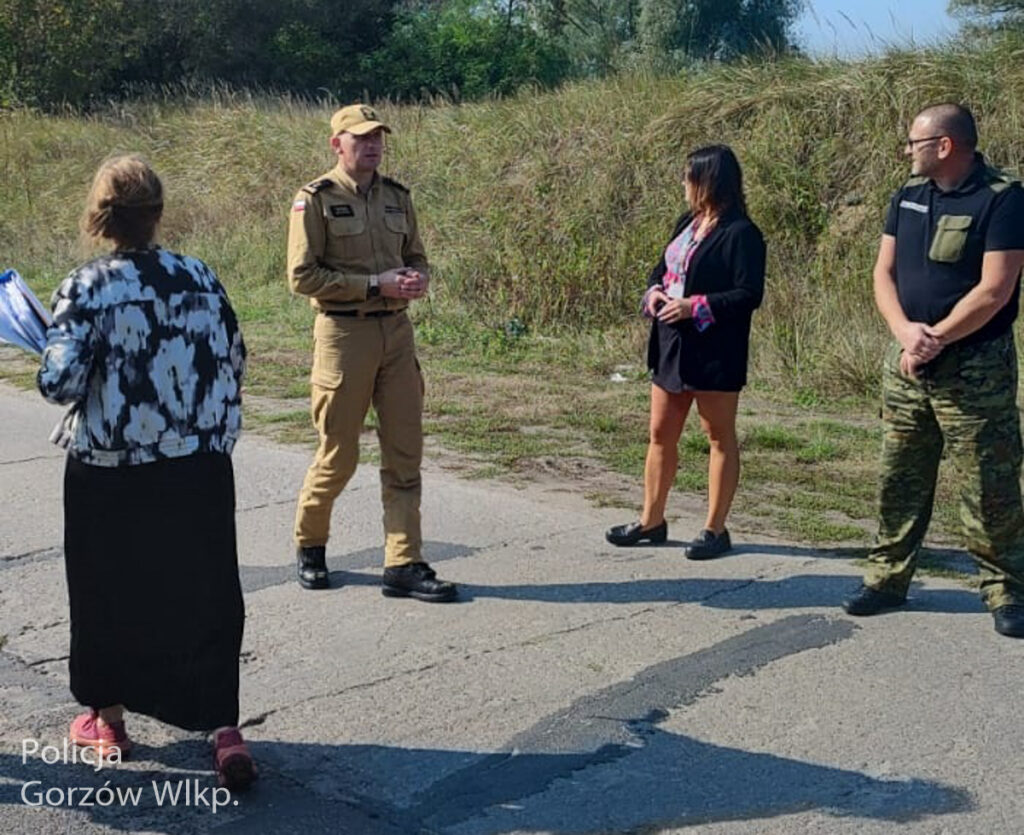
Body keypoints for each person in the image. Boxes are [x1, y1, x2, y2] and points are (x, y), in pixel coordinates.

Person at [37, 155, 256, 788]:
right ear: (158, 213)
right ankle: (222, 729)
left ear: (101, 215)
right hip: (198, 465)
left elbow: (61, 381)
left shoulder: (87, 286)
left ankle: (107, 722)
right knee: (208, 595)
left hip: (112, 469)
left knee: (108, 595)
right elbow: (233, 357)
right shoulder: (201, 277)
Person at [843, 104, 1024, 638]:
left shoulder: (1003, 198)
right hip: (907, 362)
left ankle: (1006, 588)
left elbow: (995, 289)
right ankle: (886, 579)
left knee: (988, 484)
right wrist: (904, 332)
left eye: (914, 142)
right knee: (900, 475)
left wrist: (935, 338)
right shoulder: (907, 195)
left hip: (975, 369)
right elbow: (883, 271)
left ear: (945, 146)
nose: (907, 150)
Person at [287, 104, 456, 602]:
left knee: (405, 452)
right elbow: (302, 276)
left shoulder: (397, 197)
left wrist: (416, 277)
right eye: (360, 138)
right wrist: (372, 284)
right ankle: (311, 543)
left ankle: (403, 562)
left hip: (396, 335)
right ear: (336, 144)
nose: (372, 145)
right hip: (344, 336)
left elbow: (416, 255)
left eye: (377, 137)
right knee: (338, 454)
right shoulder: (315, 199)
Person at [606, 145, 765, 559]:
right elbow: (663, 269)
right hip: (671, 342)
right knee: (660, 434)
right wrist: (655, 291)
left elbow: (749, 294)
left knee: (718, 436)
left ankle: (714, 528)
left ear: (709, 181)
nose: (683, 183)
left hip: (715, 349)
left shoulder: (742, 233)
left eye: (688, 176)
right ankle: (651, 520)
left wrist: (695, 305)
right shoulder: (687, 222)